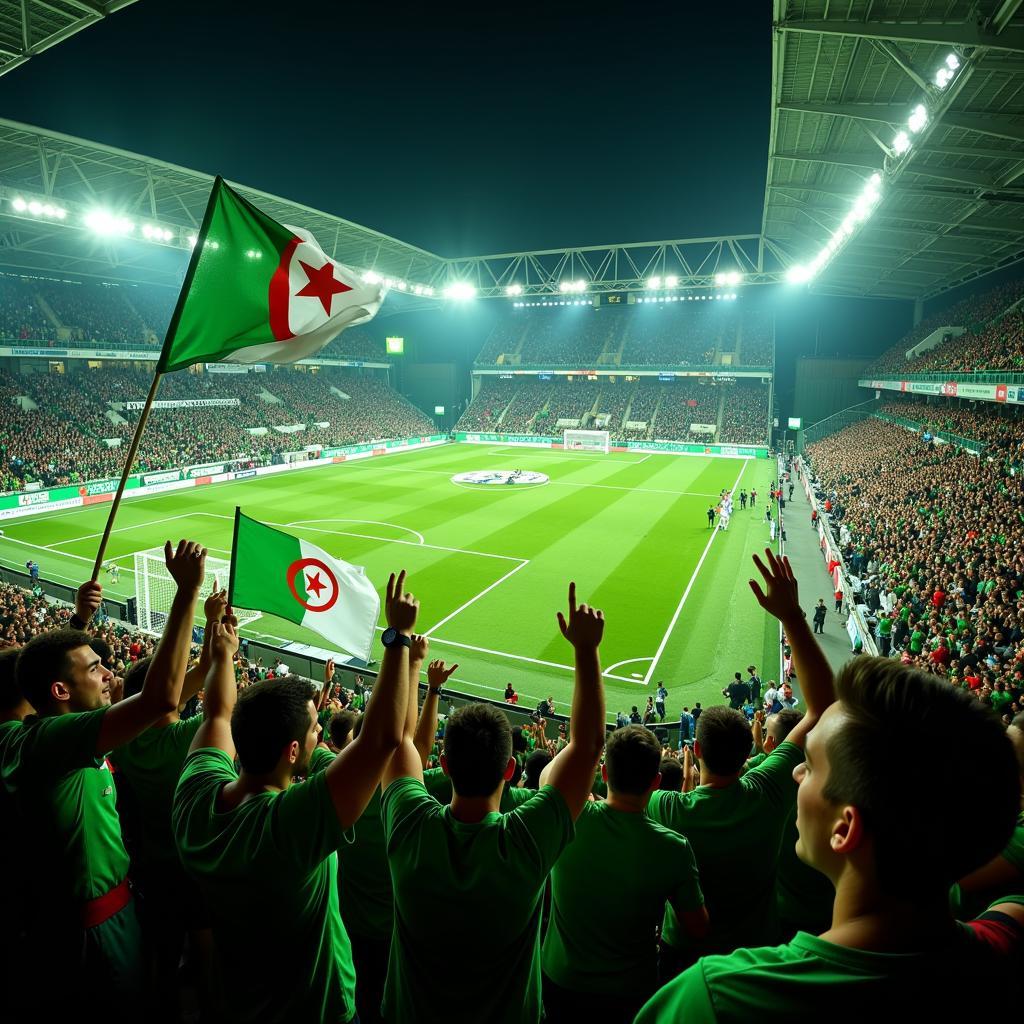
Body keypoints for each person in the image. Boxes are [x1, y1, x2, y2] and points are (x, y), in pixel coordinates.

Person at [637, 656, 1024, 1021]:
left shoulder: (713, 998)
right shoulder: (1002, 942)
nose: (796, 774)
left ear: (844, 829)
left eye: (814, 766)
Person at [172, 568, 417, 1022]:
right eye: (315, 729)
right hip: (314, 1008)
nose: (321, 731)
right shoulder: (291, 827)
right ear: (291, 751)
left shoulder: (195, 797)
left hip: (242, 998)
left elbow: (218, 714)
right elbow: (381, 740)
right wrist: (398, 638)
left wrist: (222, 653)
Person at [379, 582, 607, 1024]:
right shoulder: (526, 842)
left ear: (442, 765)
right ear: (510, 769)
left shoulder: (409, 824)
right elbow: (588, 746)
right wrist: (585, 650)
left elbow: (396, 739)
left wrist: (401, 642)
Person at [6, 543, 206, 1020]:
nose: (108, 674)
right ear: (59, 693)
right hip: (95, 929)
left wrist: (76, 625)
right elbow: (160, 699)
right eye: (94, 669)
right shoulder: (54, 743)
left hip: (104, 912)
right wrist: (186, 593)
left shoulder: (26, 734)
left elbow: (29, 686)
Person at [649, 549, 835, 972]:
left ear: (695, 752)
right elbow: (821, 707)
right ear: (750, 750)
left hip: (685, 953)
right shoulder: (768, 790)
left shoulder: (671, 808)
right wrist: (791, 617)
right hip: (756, 949)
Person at [110, 581, 228, 1013]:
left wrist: (212, 623)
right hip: (192, 863)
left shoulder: (123, 739)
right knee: (204, 950)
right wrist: (221, 649)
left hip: (151, 864)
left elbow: (172, 692)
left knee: (160, 947)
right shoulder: (187, 738)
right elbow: (216, 707)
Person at [541, 726, 708, 1022]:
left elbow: (552, 773)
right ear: (656, 782)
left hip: (560, 981)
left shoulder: (569, 818)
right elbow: (696, 927)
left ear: (603, 773)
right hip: (630, 990)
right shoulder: (674, 848)